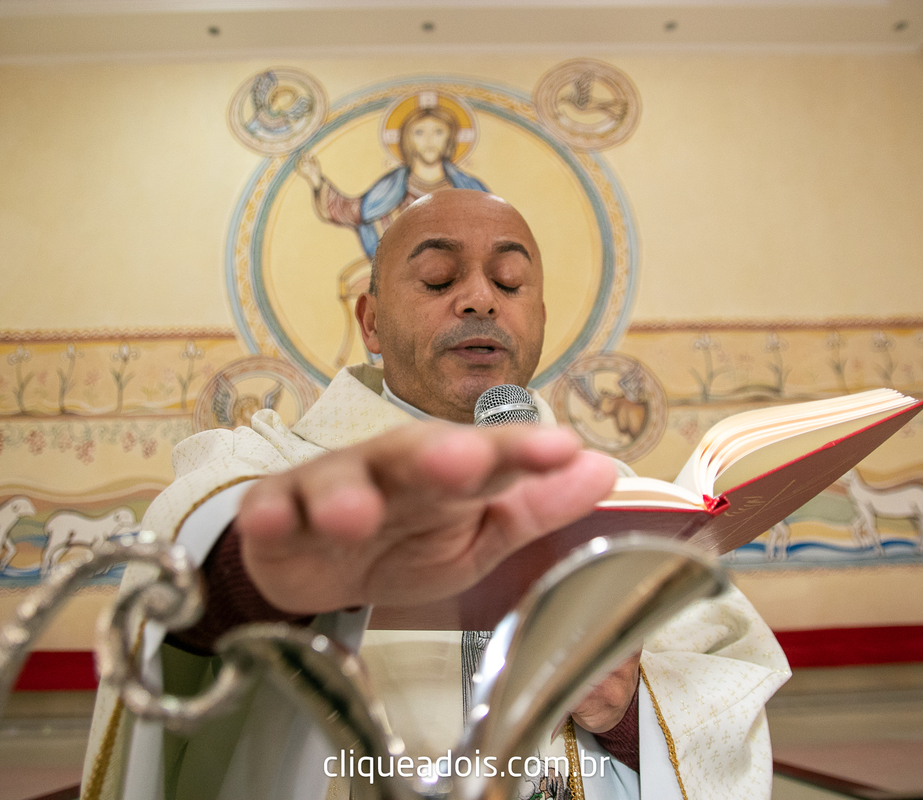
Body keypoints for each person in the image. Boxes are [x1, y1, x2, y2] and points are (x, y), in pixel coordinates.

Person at [81, 190, 790, 800]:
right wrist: (284, 565)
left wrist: (626, 711)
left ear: (541, 320)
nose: (481, 297)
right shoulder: (271, 466)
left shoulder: (625, 504)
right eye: (437, 278)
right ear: (371, 321)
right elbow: (186, 554)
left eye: (510, 282)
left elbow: (724, 690)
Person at [296, 102, 488, 259]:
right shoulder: (389, 189)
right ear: (408, 140)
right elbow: (351, 211)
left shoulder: (470, 189)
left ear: (450, 138)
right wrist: (316, 180)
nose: (429, 140)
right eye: (419, 132)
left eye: (438, 132)